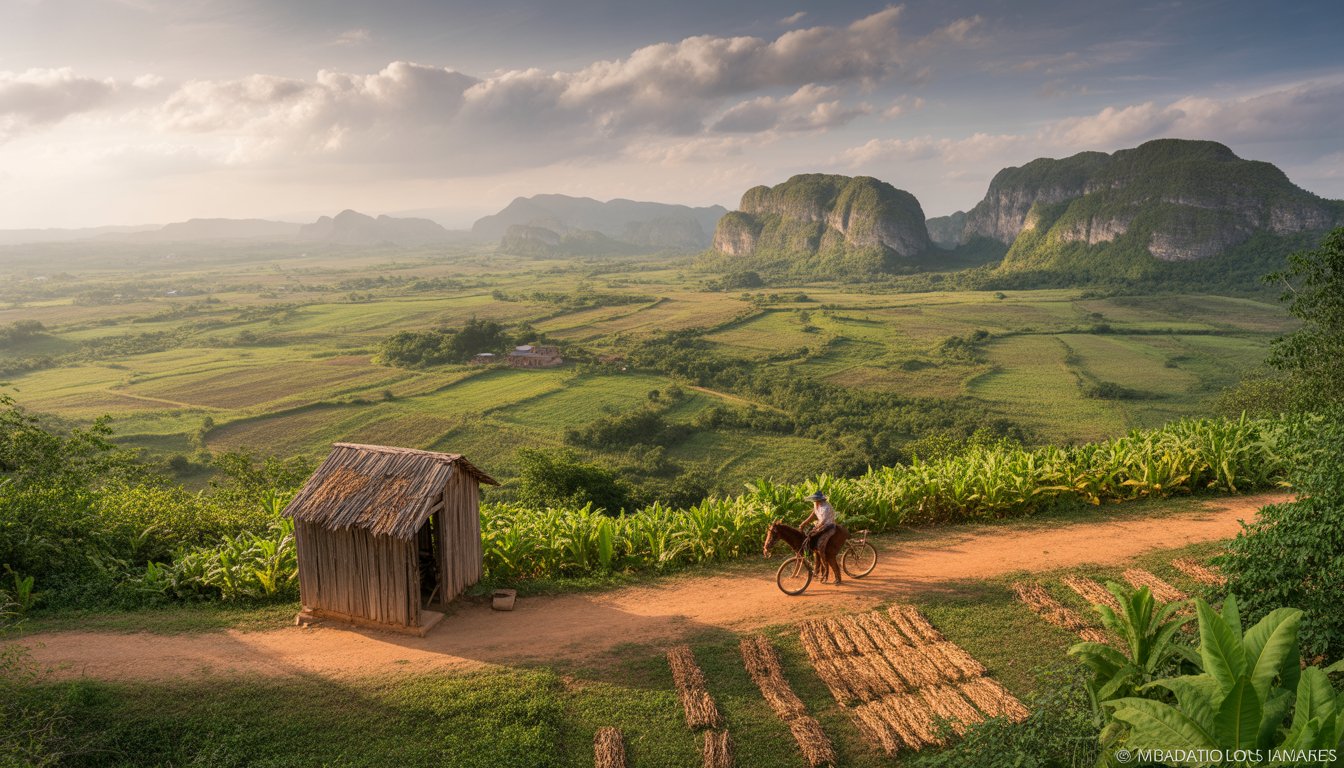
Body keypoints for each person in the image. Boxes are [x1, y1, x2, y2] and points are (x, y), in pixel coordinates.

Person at [799, 491, 837, 560]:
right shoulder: (816, 504)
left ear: (820, 499)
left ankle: (818, 554)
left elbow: (822, 521)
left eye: (816, 499)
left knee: (813, 536)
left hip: (828, 525)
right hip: (820, 523)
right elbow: (813, 514)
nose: (814, 501)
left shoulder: (825, 508)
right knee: (807, 534)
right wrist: (804, 523)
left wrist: (815, 528)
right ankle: (808, 554)